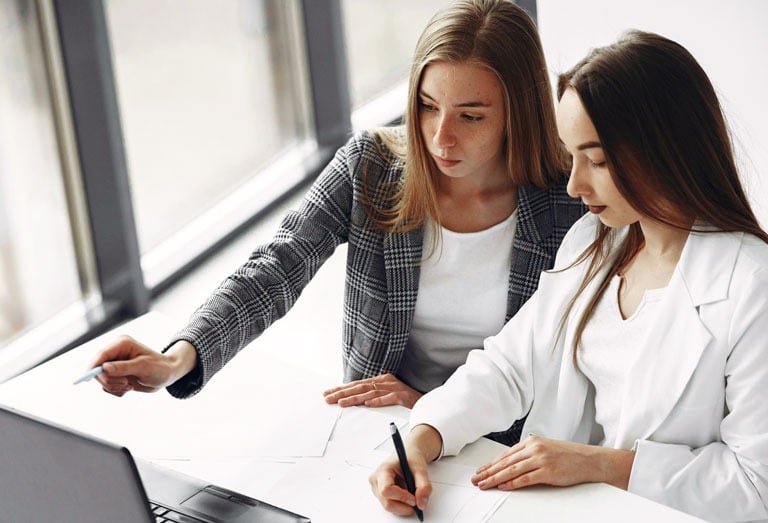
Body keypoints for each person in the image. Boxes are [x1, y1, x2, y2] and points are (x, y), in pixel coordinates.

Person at [90, 0, 584, 445]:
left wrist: (430, 411)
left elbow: (570, 377)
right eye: (428, 107)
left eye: (470, 117)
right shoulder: (370, 166)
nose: (440, 139)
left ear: (520, 111)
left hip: (502, 446)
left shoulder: (572, 201)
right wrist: (177, 358)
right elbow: (276, 269)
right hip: (376, 433)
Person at [370, 29, 768, 522]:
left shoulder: (752, 288)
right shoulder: (593, 243)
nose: (576, 184)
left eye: (597, 161)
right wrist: (420, 440)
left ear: (667, 150)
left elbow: (756, 487)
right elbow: (509, 366)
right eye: (571, 155)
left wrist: (598, 465)